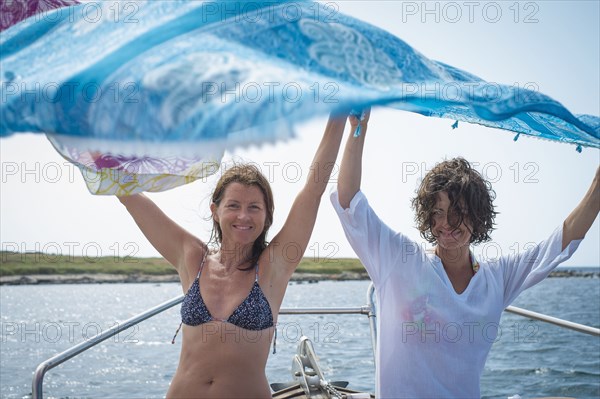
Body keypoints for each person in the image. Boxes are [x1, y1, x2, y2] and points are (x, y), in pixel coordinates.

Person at [331, 109, 600, 398]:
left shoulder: (496, 280)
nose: (446, 224)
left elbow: (561, 243)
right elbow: (349, 203)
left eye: (458, 212)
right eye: (438, 212)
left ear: (477, 216)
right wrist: (359, 129)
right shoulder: (399, 261)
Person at [117, 113, 349, 398]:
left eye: (254, 207)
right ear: (216, 211)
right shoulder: (192, 259)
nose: (243, 215)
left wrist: (339, 116)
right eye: (233, 205)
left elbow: (313, 190)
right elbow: (127, 193)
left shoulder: (273, 266)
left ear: (267, 217)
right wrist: (79, 143)